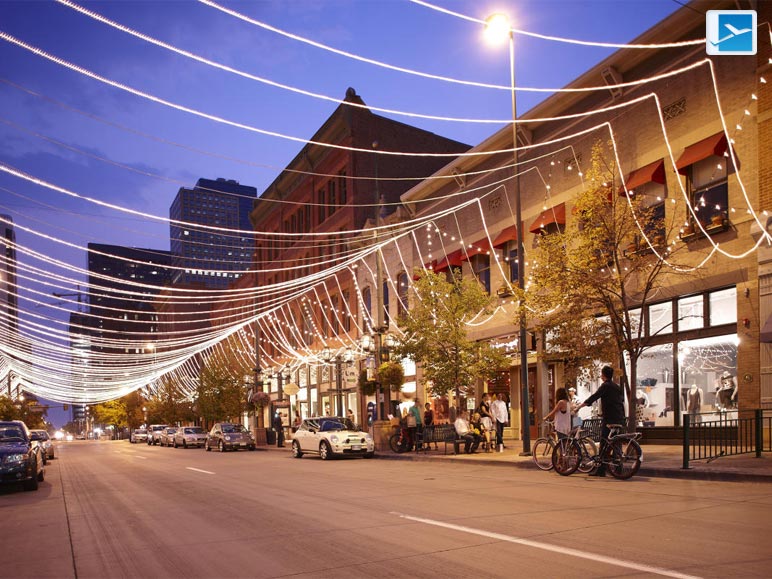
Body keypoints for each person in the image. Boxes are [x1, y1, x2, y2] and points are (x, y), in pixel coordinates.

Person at [575, 365, 626, 477]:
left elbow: (594, 397)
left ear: (603, 375)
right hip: (619, 418)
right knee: (616, 443)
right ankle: (618, 469)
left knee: (603, 443)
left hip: (609, 419)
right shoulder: (616, 387)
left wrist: (580, 407)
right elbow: (618, 402)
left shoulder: (605, 386)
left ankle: (601, 470)